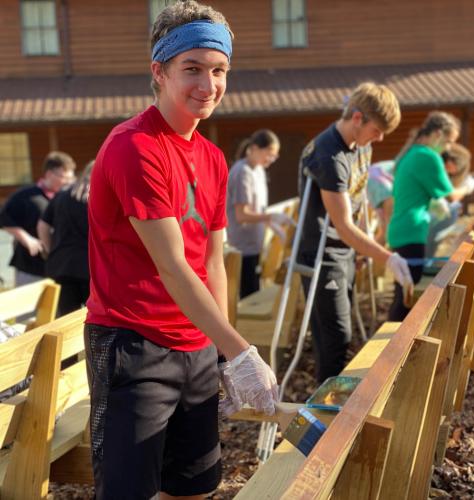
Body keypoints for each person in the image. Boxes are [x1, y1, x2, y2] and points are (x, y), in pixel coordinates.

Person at [85, 2, 278, 498]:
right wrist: (242, 351)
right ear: (160, 70)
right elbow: (171, 267)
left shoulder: (212, 157)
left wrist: (223, 350)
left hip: (195, 346)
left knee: (195, 489)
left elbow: (212, 261)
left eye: (218, 71)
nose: (207, 84)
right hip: (133, 346)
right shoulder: (135, 147)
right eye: (191, 68)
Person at [297, 82, 412, 383]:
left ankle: (332, 405)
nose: (381, 138)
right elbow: (343, 224)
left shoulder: (362, 146)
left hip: (344, 251)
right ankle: (327, 417)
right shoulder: (329, 156)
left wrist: (364, 247)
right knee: (335, 336)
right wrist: (387, 258)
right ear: (358, 118)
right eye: (377, 130)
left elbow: (357, 202)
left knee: (341, 335)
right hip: (322, 256)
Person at [387, 111, 461, 321]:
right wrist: (472, 186)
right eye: (448, 142)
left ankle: (391, 343)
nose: (447, 148)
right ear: (437, 134)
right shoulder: (428, 156)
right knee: (406, 299)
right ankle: (392, 348)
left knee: (402, 292)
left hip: (399, 229)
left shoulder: (410, 153)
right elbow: (451, 196)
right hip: (412, 231)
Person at [226, 129, 292, 297]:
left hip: (255, 245)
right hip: (242, 249)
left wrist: (272, 224)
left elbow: (258, 210)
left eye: (274, 156)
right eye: (269, 154)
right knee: (247, 298)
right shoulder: (242, 172)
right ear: (255, 148)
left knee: (254, 292)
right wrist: (271, 217)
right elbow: (242, 215)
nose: (271, 160)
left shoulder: (259, 170)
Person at [0, 151, 76, 286]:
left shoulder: (68, 198)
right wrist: (26, 239)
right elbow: (3, 218)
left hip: (61, 268)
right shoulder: (26, 196)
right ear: (49, 174)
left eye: (71, 178)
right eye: (64, 178)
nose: (68, 182)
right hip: (30, 267)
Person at [37, 161, 94, 316]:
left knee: (66, 318)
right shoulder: (100, 196)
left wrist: (50, 250)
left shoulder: (62, 195)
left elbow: (43, 225)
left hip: (61, 265)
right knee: (95, 318)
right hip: (91, 268)